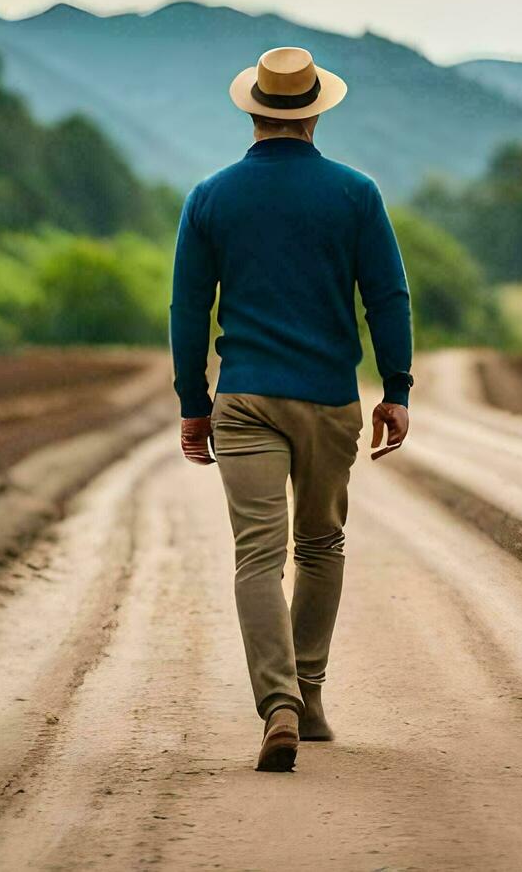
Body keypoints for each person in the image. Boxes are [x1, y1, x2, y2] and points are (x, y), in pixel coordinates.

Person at [169, 46, 414, 772]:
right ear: (313, 113)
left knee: (257, 557)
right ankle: (306, 698)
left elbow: (189, 307)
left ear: (252, 110)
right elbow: (387, 297)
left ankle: (275, 704)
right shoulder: (355, 193)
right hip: (331, 398)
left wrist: (193, 403)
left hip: (244, 401)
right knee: (320, 547)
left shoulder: (211, 196)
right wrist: (395, 389)